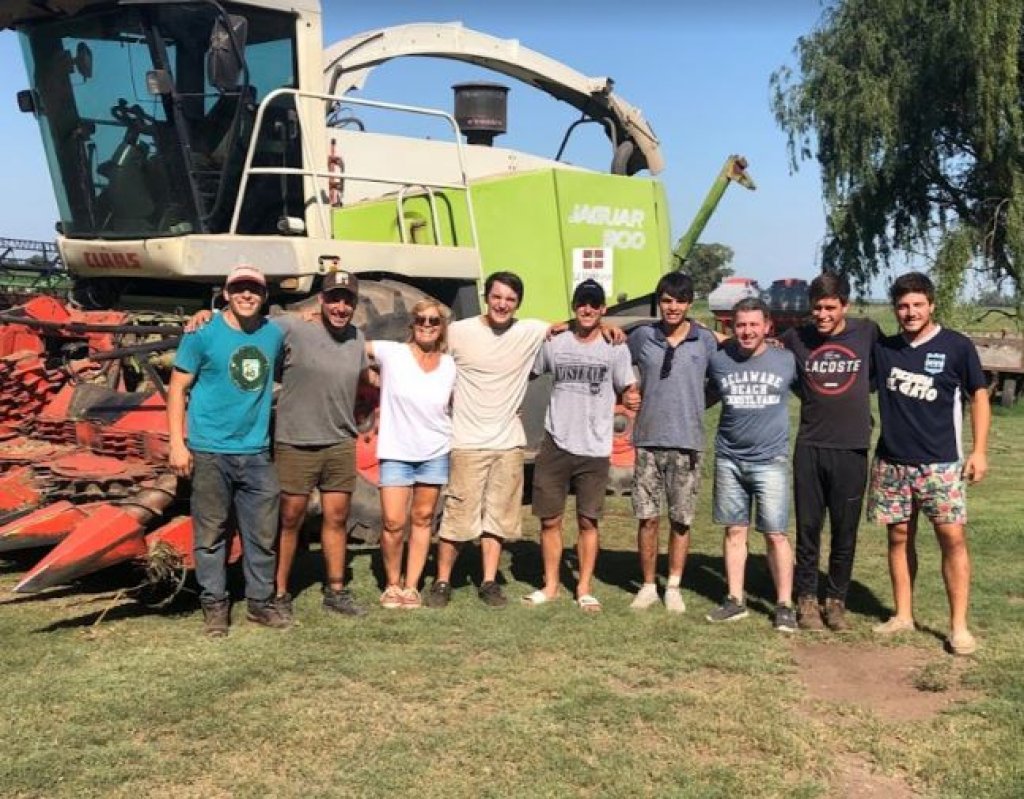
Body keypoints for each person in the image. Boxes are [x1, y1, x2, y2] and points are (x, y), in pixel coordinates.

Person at [868, 271, 990, 656]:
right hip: (892, 462)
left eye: (918, 304)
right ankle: (903, 614)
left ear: (931, 305)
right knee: (899, 537)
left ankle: (959, 627)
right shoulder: (884, 350)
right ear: (895, 309)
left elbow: (980, 396)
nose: (910, 312)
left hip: (941, 465)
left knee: (952, 538)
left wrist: (979, 450)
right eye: (903, 306)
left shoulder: (957, 346)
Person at [168, 264, 288, 637]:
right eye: (239, 289)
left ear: (265, 297)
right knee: (210, 534)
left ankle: (259, 604)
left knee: (263, 534)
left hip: (256, 450)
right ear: (226, 293)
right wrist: (177, 442)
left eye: (254, 289)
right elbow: (177, 388)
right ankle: (215, 606)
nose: (247, 295)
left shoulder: (273, 334)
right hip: (209, 449)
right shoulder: (203, 332)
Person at [425, 271, 553, 609]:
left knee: (498, 516)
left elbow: (568, 326)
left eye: (510, 300)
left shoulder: (529, 331)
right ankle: (441, 581)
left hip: (509, 443)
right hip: (466, 441)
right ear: (486, 297)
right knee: (458, 515)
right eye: (497, 297)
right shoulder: (458, 332)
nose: (502, 304)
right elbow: (424, 352)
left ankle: (489, 581)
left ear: (518, 304)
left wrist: (610, 328)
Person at [523, 279, 639, 612]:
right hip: (556, 442)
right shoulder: (555, 342)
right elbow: (527, 371)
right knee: (549, 520)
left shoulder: (614, 346)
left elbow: (628, 388)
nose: (587, 309)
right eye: (581, 303)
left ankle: (584, 588)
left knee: (588, 520)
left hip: (594, 446)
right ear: (573, 307)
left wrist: (630, 398)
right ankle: (550, 585)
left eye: (594, 304)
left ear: (603, 309)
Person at [782, 273, 881, 631]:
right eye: (817, 308)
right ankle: (806, 599)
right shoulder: (797, 337)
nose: (822, 314)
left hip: (852, 447)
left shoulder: (867, 332)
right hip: (810, 446)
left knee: (845, 530)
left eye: (830, 307)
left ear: (845, 306)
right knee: (808, 528)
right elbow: (763, 352)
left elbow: (882, 371)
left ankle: (836, 600)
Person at [271, 269, 371, 619]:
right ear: (322, 300)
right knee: (290, 518)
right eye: (334, 298)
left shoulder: (357, 338)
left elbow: (365, 378)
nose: (340, 306)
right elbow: (249, 325)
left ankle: (336, 589)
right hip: (296, 439)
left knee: (337, 517)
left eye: (347, 300)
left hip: (340, 441)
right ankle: (280, 593)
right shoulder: (294, 328)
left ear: (355, 304)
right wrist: (206, 315)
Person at [705, 297, 799, 632]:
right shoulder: (719, 361)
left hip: (770, 460)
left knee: (775, 533)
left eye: (753, 325)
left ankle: (785, 604)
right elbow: (704, 396)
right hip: (730, 457)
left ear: (767, 326)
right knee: (735, 530)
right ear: (732, 327)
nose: (746, 331)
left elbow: (813, 396)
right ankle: (734, 599)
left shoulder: (785, 361)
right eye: (740, 325)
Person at [627, 271, 718, 613]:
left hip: (687, 442)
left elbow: (723, 375)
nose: (673, 307)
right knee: (648, 517)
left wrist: (699, 401)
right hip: (648, 439)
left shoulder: (704, 341)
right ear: (659, 302)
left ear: (689, 304)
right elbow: (614, 357)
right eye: (666, 300)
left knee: (681, 519)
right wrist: (627, 392)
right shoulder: (643, 337)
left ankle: (674, 585)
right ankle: (649, 585)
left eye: (679, 301)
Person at [369, 298, 456, 610]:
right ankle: (392, 584)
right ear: (412, 325)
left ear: (442, 327)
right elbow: (350, 347)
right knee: (393, 522)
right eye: (421, 320)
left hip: (434, 451)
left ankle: (411, 586)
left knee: (422, 519)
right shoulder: (392, 353)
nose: (427, 326)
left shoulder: (450, 365)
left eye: (434, 321)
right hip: (396, 451)